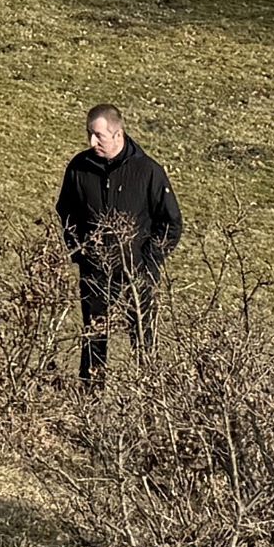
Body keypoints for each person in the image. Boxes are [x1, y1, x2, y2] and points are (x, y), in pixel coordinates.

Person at [57, 104, 182, 387]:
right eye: (89, 134)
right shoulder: (79, 168)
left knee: (143, 342)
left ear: (118, 134)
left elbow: (171, 223)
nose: (92, 142)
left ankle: (149, 404)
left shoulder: (148, 172)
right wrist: (80, 252)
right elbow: (66, 211)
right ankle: (89, 403)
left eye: (98, 136)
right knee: (93, 342)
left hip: (137, 278)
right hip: (96, 275)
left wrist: (148, 264)